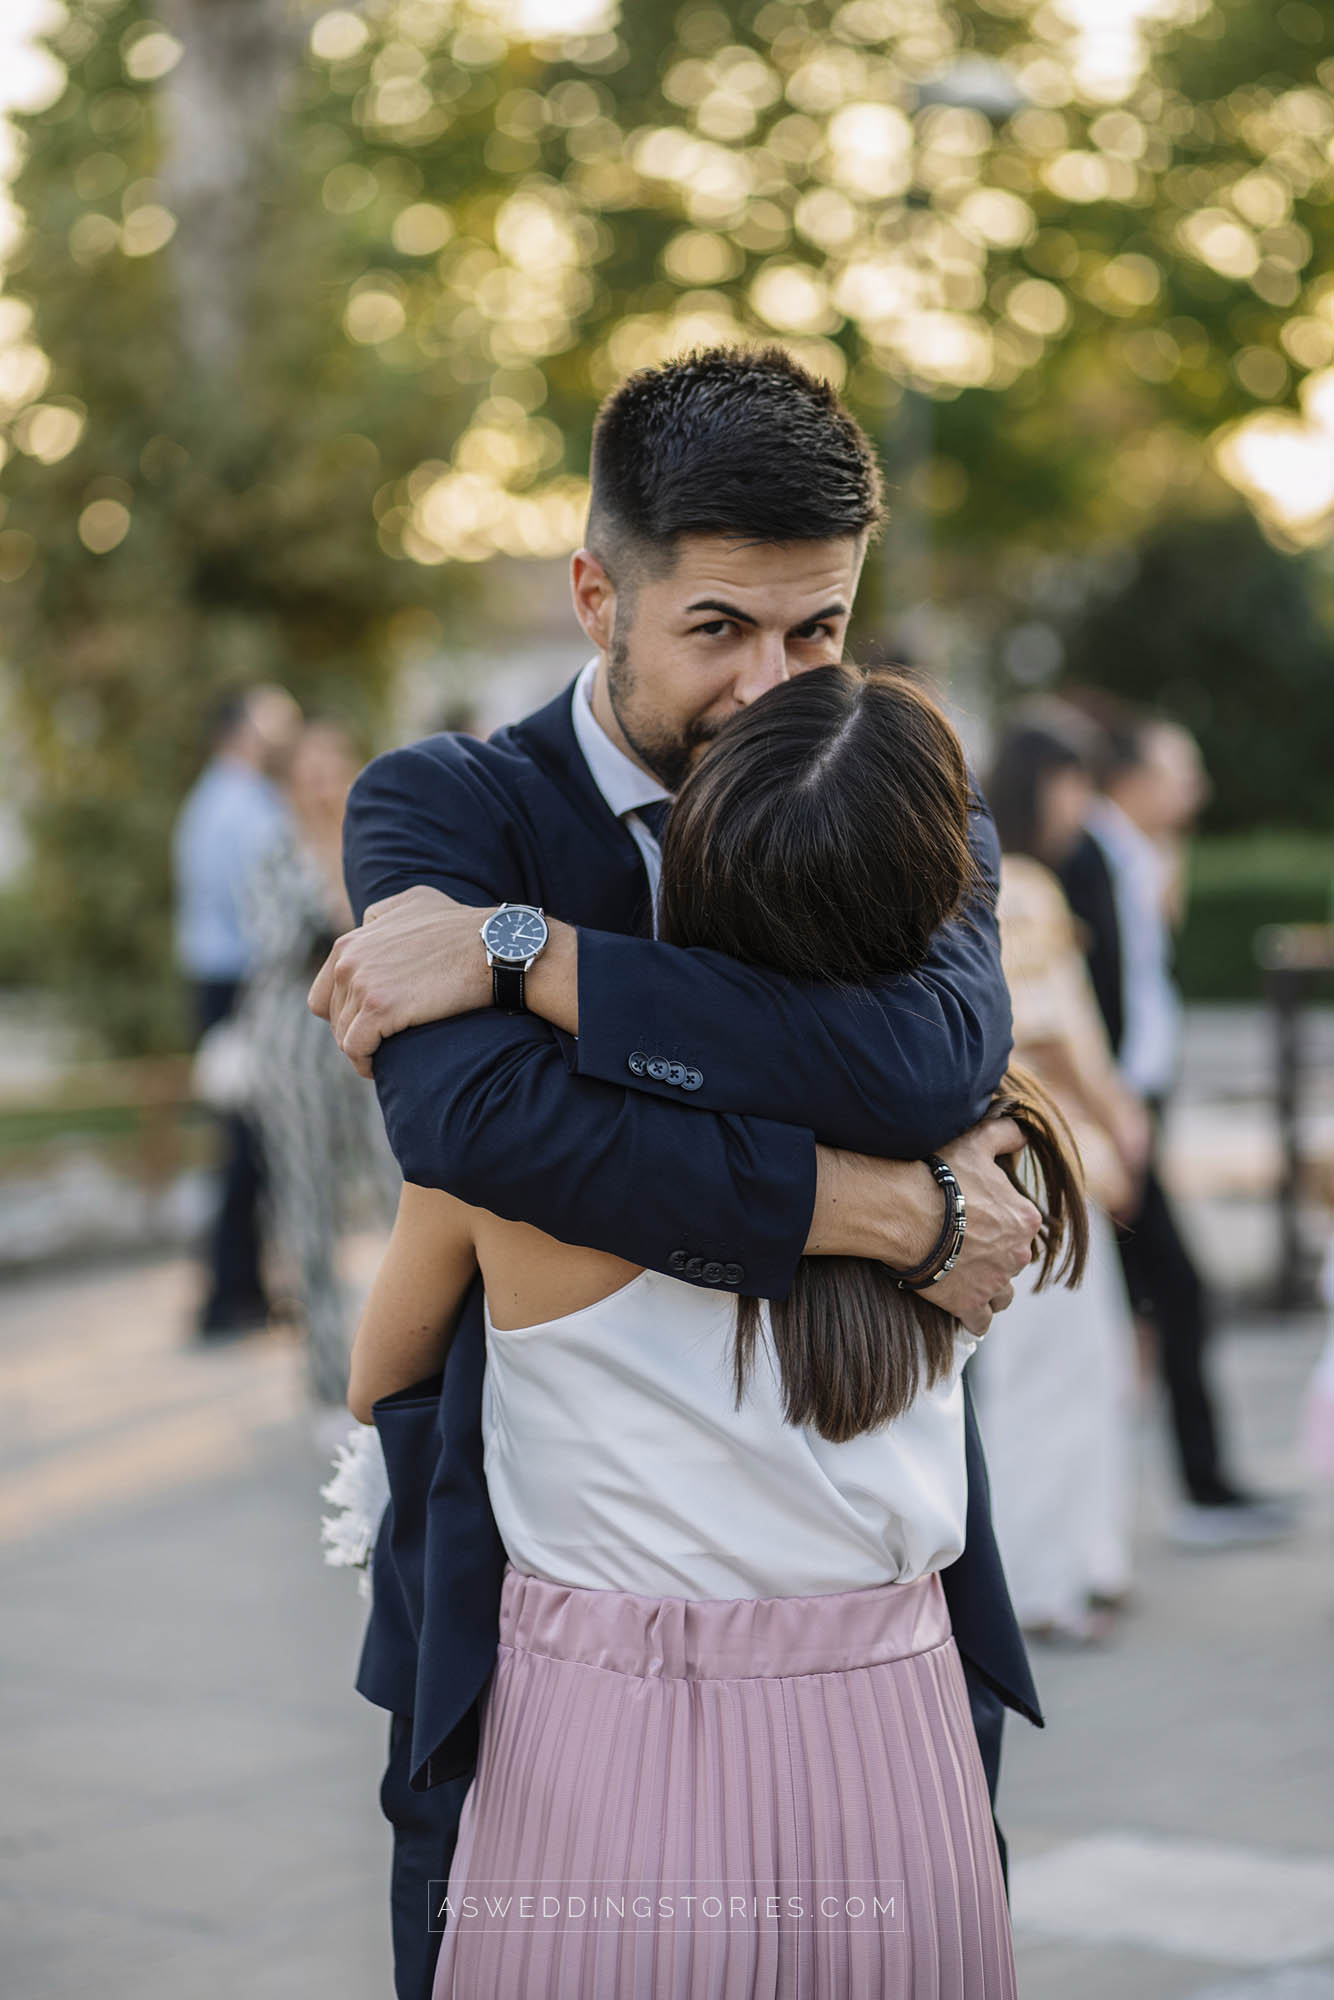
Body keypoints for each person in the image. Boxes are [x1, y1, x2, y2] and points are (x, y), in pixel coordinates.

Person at [308, 348, 1044, 2000]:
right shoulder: (448, 806)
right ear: (596, 593)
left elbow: (925, 1063)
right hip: (524, 1664)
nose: (772, 685)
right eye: (717, 628)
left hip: (883, 1648)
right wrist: (879, 1211)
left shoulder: (903, 797)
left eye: (817, 629)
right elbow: (482, 1134)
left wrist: (522, 960)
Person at [1057, 700, 1298, 1548]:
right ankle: (1195, 1493)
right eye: (1178, 771)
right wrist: (1114, 1106)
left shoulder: (1136, 855)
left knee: (1143, 1307)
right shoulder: (1085, 856)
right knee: (1166, 1297)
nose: (1194, 788)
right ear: (1131, 778)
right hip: (1106, 1117)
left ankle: (1171, 1496)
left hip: (1136, 1107)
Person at [980, 717, 1147, 1643]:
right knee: (1059, 1375)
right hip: (1055, 1156)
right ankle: (1049, 1581)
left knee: (1068, 1370)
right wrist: (1119, 1115)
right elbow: (1043, 1030)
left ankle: (1077, 1564)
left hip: (1031, 1155)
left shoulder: (990, 877)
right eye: (1072, 783)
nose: (1081, 803)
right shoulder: (1025, 884)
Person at [237, 719, 400, 1421]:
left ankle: (412, 1363)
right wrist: (338, 913)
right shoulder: (273, 853)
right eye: (306, 767)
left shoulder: (375, 839)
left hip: (372, 1033)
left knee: (403, 1187)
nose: (320, 778)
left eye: (332, 763)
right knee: (309, 1203)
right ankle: (328, 1381)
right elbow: (280, 942)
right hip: (295, 1042)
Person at [172, 684, 301, 1338]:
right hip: (242, 984)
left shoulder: (214, 798)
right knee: (250, 1143)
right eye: (277, 722)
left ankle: (243, 1290)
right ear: (244, 730)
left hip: (222, 981)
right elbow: (259, 910)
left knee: (247, 1144)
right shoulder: (241, 806)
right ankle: (228, 1298)